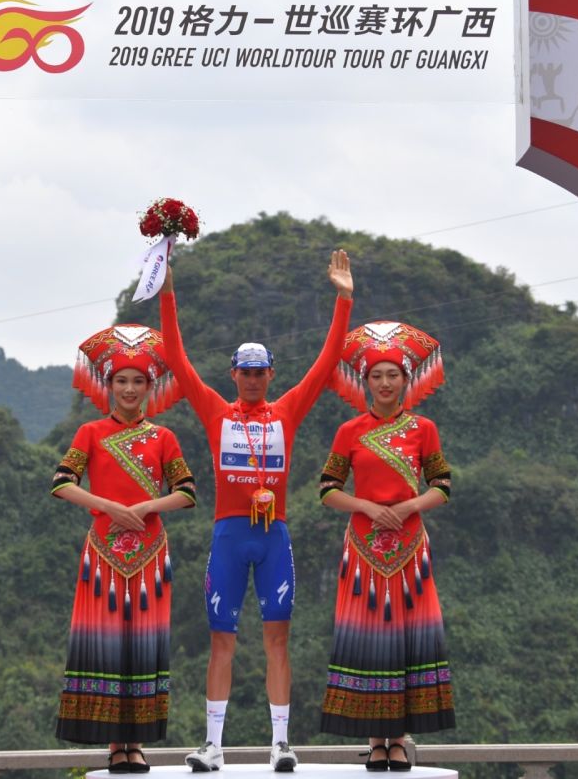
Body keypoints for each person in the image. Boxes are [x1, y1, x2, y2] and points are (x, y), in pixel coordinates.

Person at [159, 250, 354, 772]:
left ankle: (281, 745)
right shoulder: (215, 411)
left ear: (271, 374)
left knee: (277, 640)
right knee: (221, 641)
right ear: (233, 374)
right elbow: (176, 357)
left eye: (259, 372)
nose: (251, 379)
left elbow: (326, 363)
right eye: (244, 372)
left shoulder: (286, 410)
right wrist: (167, 289)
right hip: (228, 536)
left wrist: (343, 299)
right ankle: (212, 746)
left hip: (274, 538)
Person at [52, 324, 197, 773]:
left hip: (150, 554)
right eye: (121, 381)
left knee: (143, 644)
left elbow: (186, 492)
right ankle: (116, 744)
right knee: (108, 644)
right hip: (104, 554)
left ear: (150, 387)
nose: (130, 389)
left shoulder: (164, 437)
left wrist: (147, 506)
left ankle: (137, 742)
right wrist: (108, 506)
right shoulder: (90, 432)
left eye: (138, 381)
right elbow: (61, 483)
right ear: (108, 385)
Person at [316, 320, 455, 771]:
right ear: (365, 381)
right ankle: (377, 740)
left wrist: (410, 505)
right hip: (364, 549)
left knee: (407, 638)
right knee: (371, 640)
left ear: (406, 378)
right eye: (376, 375)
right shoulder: (349, 431)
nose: (385, 383)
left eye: (392, 374)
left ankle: (400, 738)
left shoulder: (423, 428)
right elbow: (327, 489)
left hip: (410, 548)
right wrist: (367, 507)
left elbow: (443, 486)